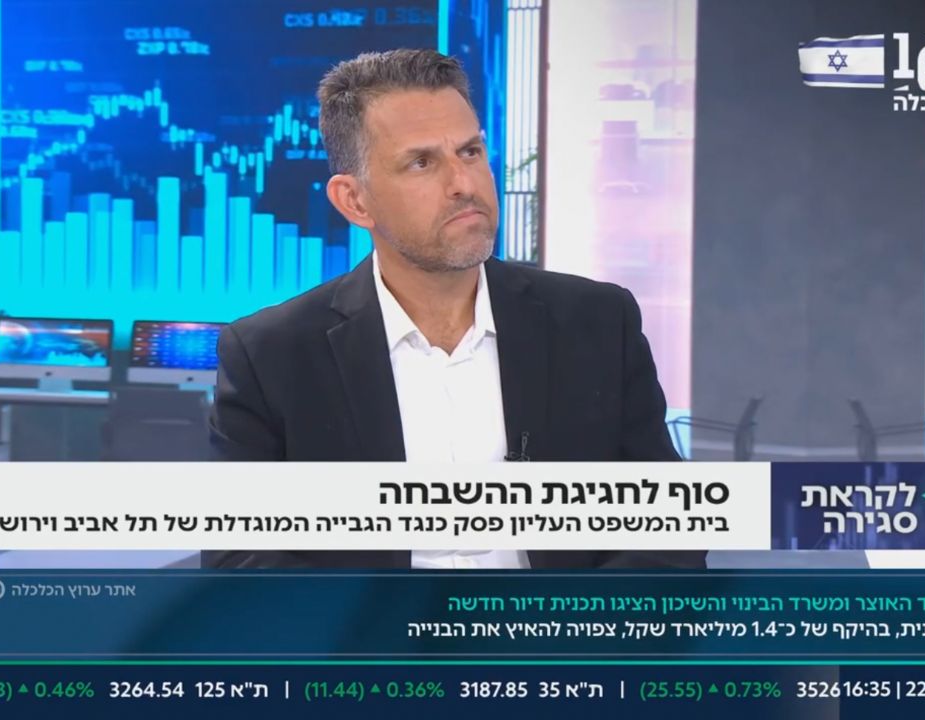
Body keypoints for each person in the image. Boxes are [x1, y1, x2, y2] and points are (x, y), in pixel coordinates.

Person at [202, 48, 705, 571]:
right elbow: (239, 556)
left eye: (470, 151)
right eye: (421, 163)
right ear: (354, 200)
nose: (463, 184)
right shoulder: (271, 353)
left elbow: (670, 529)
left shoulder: (597, 321)